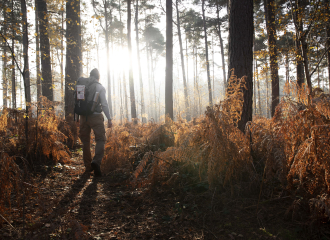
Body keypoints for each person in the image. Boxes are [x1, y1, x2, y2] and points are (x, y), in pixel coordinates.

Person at [78, 68, 112, 177]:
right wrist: (109, 118)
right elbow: (104, 104)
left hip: (83, 117)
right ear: (98, 77)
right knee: (100, 139)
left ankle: (88, 167)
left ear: (90, 75)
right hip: (96, 116)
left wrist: (78, 117)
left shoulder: (83, 85)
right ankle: (96, 162)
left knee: (86, 142)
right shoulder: (99, 87)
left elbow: (77, 101)